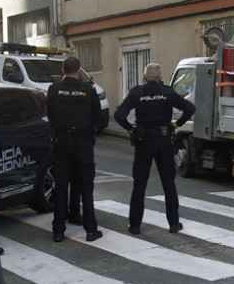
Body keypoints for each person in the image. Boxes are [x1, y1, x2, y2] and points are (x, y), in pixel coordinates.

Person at [114, 62, 195, 234]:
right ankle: (173, 223)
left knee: (139, 184)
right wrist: (176, 124)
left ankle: (135, 225)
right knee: (168, 184)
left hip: (143, 141)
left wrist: (130, 128)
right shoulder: (167, 92)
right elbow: (190, 108)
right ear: (160, 78)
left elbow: (119, 114)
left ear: (145, 77)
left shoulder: (137, 93)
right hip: (164, 141)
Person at [46, 56, 103, 243]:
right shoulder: (88, 89)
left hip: (61, 143)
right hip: (83, 143)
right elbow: (97, 116)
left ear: (63, 71)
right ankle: (90, 230)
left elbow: (50, 115)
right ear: (79, 71)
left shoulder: (54, 89)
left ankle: (58, 231)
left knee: (61, 186)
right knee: (86, 186)